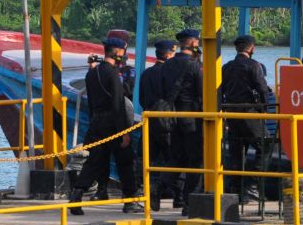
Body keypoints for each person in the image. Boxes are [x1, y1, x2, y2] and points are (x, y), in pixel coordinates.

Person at [68, 38, 143, 215]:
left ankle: (77, 194)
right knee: (125, 161)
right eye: (123, 51)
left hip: (97, 123)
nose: (124, 55)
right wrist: (123, 132)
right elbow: (118, 104)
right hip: (113, 123)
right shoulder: (113, 74)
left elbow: (92, 103)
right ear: (117, 52)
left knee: (94, 162)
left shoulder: (92, 73)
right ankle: (130, 200)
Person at [161, 28, 204, 211]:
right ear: (194, 43)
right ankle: (189, 201)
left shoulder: (167, 65)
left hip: (172, 117)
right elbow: (202, 94)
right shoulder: (194, 66)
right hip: (191, 118)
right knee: (196, 160)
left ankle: (159, 186)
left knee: (177, 157)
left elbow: (163, 91)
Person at [221, 35, 268, 201]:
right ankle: (253, 186)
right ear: (252, 48)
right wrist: (264, 111)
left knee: (236, 152)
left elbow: (220, 91)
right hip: (249, 113)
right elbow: (262, 89)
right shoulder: (254, 66)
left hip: (232, 114)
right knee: (265, 145)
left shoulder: (227, 67)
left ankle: (235, 190)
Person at [139, 39, 177, 210]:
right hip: (166, 122)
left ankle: (141, 191)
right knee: (174, 157)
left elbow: (141, 98)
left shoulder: (146, 73)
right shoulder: (169, 73)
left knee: (146, 158)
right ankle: (175, 195)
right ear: (169, 54)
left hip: (149, 120)